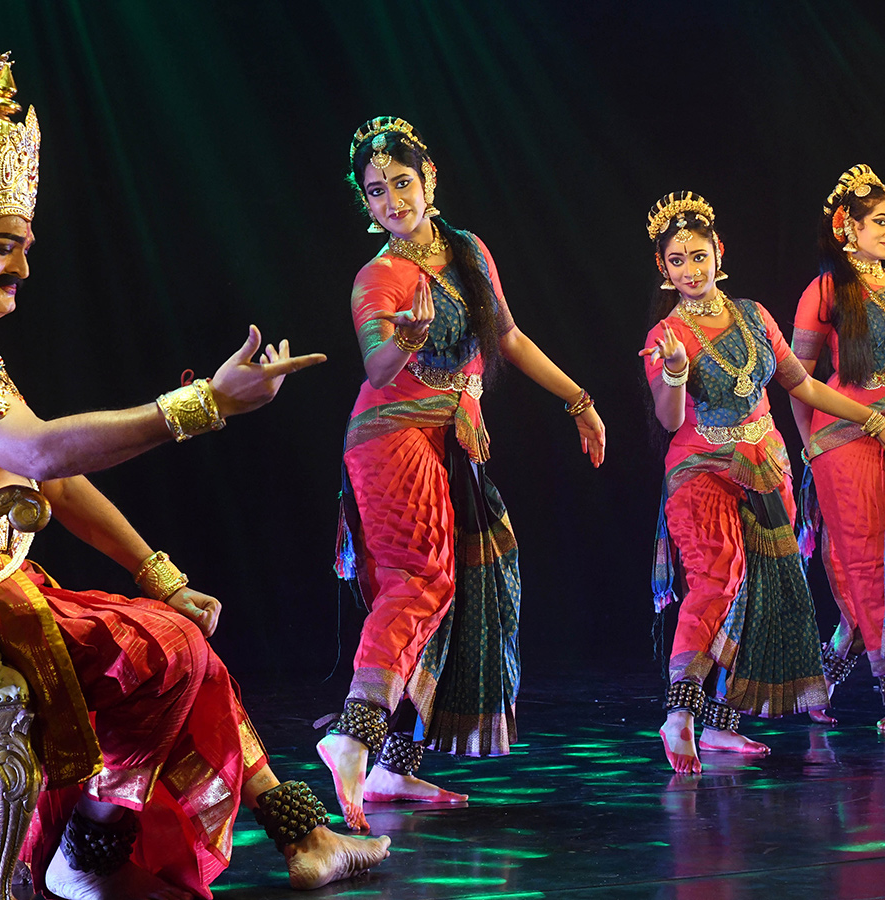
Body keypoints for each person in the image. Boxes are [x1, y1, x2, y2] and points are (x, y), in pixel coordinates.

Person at [0, 54, 391, 900]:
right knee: (164, 652)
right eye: (4, 248)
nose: (23, 269)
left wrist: (159, 572)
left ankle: (300, 839)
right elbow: (46, 454)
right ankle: (86, 855)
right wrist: (206, 404)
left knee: (181, 641)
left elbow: (47, 479)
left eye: (25, 247)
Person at [322, 117, 606, 833]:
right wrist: (405, 340)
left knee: (466, 590)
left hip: (457, 443)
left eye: (402, 183)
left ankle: (395, 767)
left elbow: (505, 336)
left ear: (432, 180)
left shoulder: (470, 251)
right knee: (421, 582)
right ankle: (352, 737)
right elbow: (377, 366)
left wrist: (578, 400)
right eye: (375, 191)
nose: (391, 201)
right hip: (393, 438)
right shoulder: (378, 276)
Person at [639, 191, 885, 775]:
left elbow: (802, 384)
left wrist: (866, 416)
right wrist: (674, 372)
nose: (691, 270)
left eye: (698, 256)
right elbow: (670, 419)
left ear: (718, 251)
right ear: (663, 269)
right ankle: (679, 715)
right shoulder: (665, 335)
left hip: (766, 463)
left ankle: (723, 725)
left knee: (762, 593)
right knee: (716, 577)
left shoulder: (753, 315)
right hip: (700, 468)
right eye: (678, 261)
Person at [790, 165, 885, 726]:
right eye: (880, 222)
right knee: (869, 565)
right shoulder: (827, 290)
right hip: (845, 440)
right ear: (847, 226)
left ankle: (829, 668)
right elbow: (799, 381)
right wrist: (810, 448)